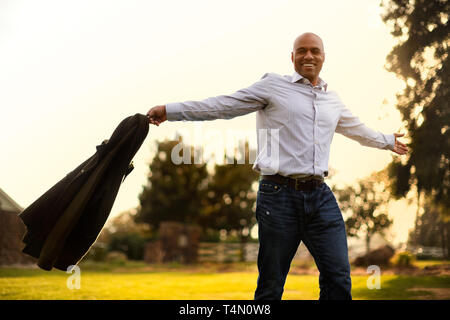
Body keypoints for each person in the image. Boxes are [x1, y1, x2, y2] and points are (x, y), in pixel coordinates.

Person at [146, 32, 408, 300]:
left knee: (338, 278)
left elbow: (358, 129)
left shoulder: (332, 100)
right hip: (277, 195)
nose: (309, 56)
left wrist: (386, 141)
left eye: (315, 51)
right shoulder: (273, 86)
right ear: (292, 57)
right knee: (271, 284)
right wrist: (171, 110)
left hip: (320, 196)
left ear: (323, 57)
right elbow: (224, 105)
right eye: (302, 51)